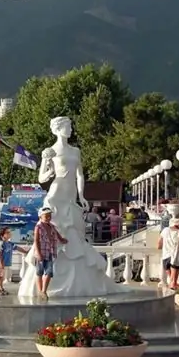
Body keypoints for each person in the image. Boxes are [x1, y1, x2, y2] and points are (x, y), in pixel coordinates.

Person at [17, 116, 124, 298]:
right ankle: (46, 282)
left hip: (71, 194)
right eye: (67, 126)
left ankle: (76, 281)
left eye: (70, 126)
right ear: (58, 129)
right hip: (56, 192)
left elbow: (80, 175)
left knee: (74, 232)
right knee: (56, 226)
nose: (70, 129)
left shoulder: (75, 151)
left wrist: (81, 195)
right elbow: (41, 178)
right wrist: (50, 169)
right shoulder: (49, 151)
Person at [29, 207, 66, 299]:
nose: (49, 217)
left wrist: (62, 240)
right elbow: (36, 240)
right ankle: (41, 291)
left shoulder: (52, 226)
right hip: (41, 252)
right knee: (39, 272)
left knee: (49, 272)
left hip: (50, 252)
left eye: (49, 216)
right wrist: (38, 252)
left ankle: (43, 291)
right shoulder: (38, 227)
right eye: (46, 216)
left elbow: (57, 236)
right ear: (41, 216)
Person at [0, 227, 28, 295]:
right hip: (0, 264)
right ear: (2, 235)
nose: (9, 233)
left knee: (2, 277)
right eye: (7, 232)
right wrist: (1, 263)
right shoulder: (1, 243)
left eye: (9, 232)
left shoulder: (10, 243)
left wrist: (25, 251)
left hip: (5, 264)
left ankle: (1, 288)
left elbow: (17, 248)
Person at [158, 217, 179, 289]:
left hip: (165, 256)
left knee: (171, 280)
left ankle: (171, 289)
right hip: (175, 256)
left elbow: (159, 244)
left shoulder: (165, 230)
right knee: (173, 283)